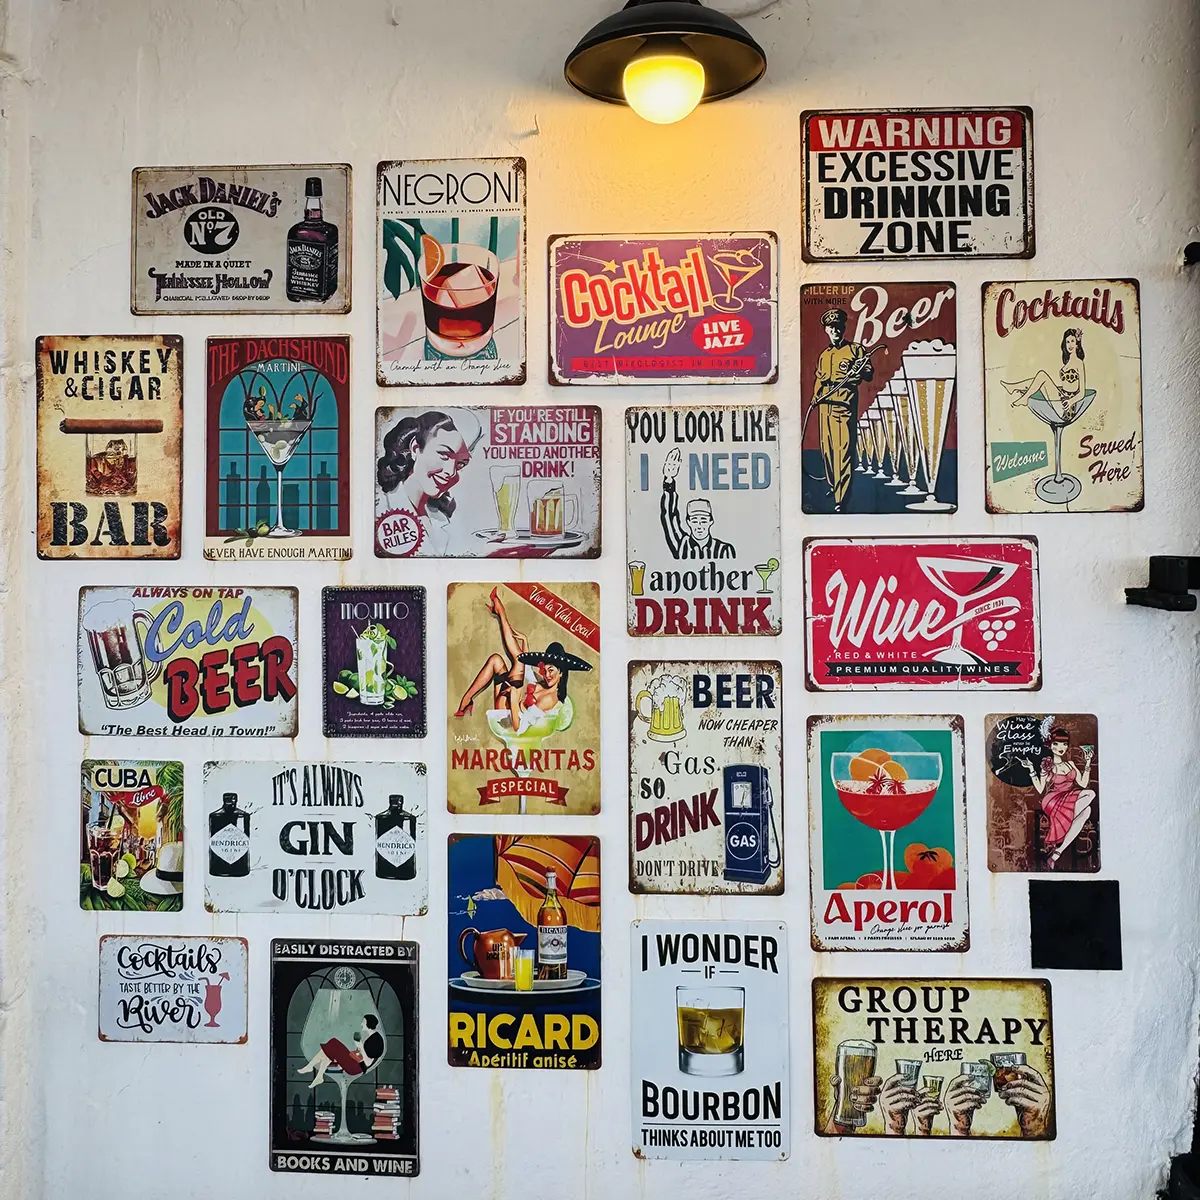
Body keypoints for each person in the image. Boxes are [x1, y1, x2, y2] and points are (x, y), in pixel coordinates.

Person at [453, 588, 592, 729]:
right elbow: (527, 670)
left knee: (518, 663)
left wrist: (514, 697)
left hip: (507, 719)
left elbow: (519, 728)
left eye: (551, 670)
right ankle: (468, 699)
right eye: (546, 670)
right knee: (497, 660)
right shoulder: (542, 682)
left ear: (561, 672)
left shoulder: (550, 699)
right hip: (506, 703)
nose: (547, 675)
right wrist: (525, 642)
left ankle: (500, 612)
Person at [376, 410, 478, 553]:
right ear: (415, 449)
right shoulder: (381, 507)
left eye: (460, 463)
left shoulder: (442, 517)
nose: (451, 471)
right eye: (443, 454)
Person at [810, 308, 874, 511]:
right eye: (831, 327)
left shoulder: (855, 350)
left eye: (838, 327)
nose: (835, 330)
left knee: (843, 452)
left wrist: (860, 370)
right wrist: (814, 399)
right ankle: (834, 484)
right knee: (827, 451)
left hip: (843, 407)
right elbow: (819, 380)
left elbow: (869, 373)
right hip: (825, 408)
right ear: (826, 330)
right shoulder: (824, 355)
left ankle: (841, 497)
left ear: (844, 328)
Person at [1018, 727, 1096, 868]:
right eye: (1056, 744)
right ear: (1050, 745)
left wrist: (1088, 762)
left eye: (1064, 744)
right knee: (1090, 796)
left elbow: (1083, 783)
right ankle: (1065, 827)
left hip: (1069, 797)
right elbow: (1041, 788)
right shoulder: (1048, 765)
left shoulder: (1070, 764)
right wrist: (1031, 769)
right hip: (1053, 800)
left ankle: (1057, 852)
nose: (1061, 747)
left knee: (1088, 809)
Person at [659, 446, 735, 559]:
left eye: (703, 520)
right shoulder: (681, 544)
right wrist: (668, 479)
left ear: (711, 521)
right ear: (688, 522)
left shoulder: (724, 550)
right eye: (695, 520)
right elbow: (669, 517)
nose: (699, 526)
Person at [1002, 327, 1086, 420]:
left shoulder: (1079, 363)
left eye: (1072, 341)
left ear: (1077, 343)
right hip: (1060, 398)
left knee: (1042, 375)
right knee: (1038, 380)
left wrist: (1070, 401)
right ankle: (1014, 388)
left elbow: (1082, 393)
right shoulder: (1067, 363)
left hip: (1067, 407)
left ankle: (1022, 396)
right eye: (1067, 342)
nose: (1070, 344)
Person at [296, 1014, 384, 1090]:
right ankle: (318, 1075)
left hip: (356, 1067)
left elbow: (367, 1062)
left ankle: (312, 1068)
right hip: (356, 1062)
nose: (361, 1024)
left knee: (333, 1043)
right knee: (330, 1049)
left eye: (363, 1022)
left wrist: (360, 1046)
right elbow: (363, 1055)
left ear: (368, 1024)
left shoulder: (375, 1040)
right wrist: (359, 1047)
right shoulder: (372, 1037)